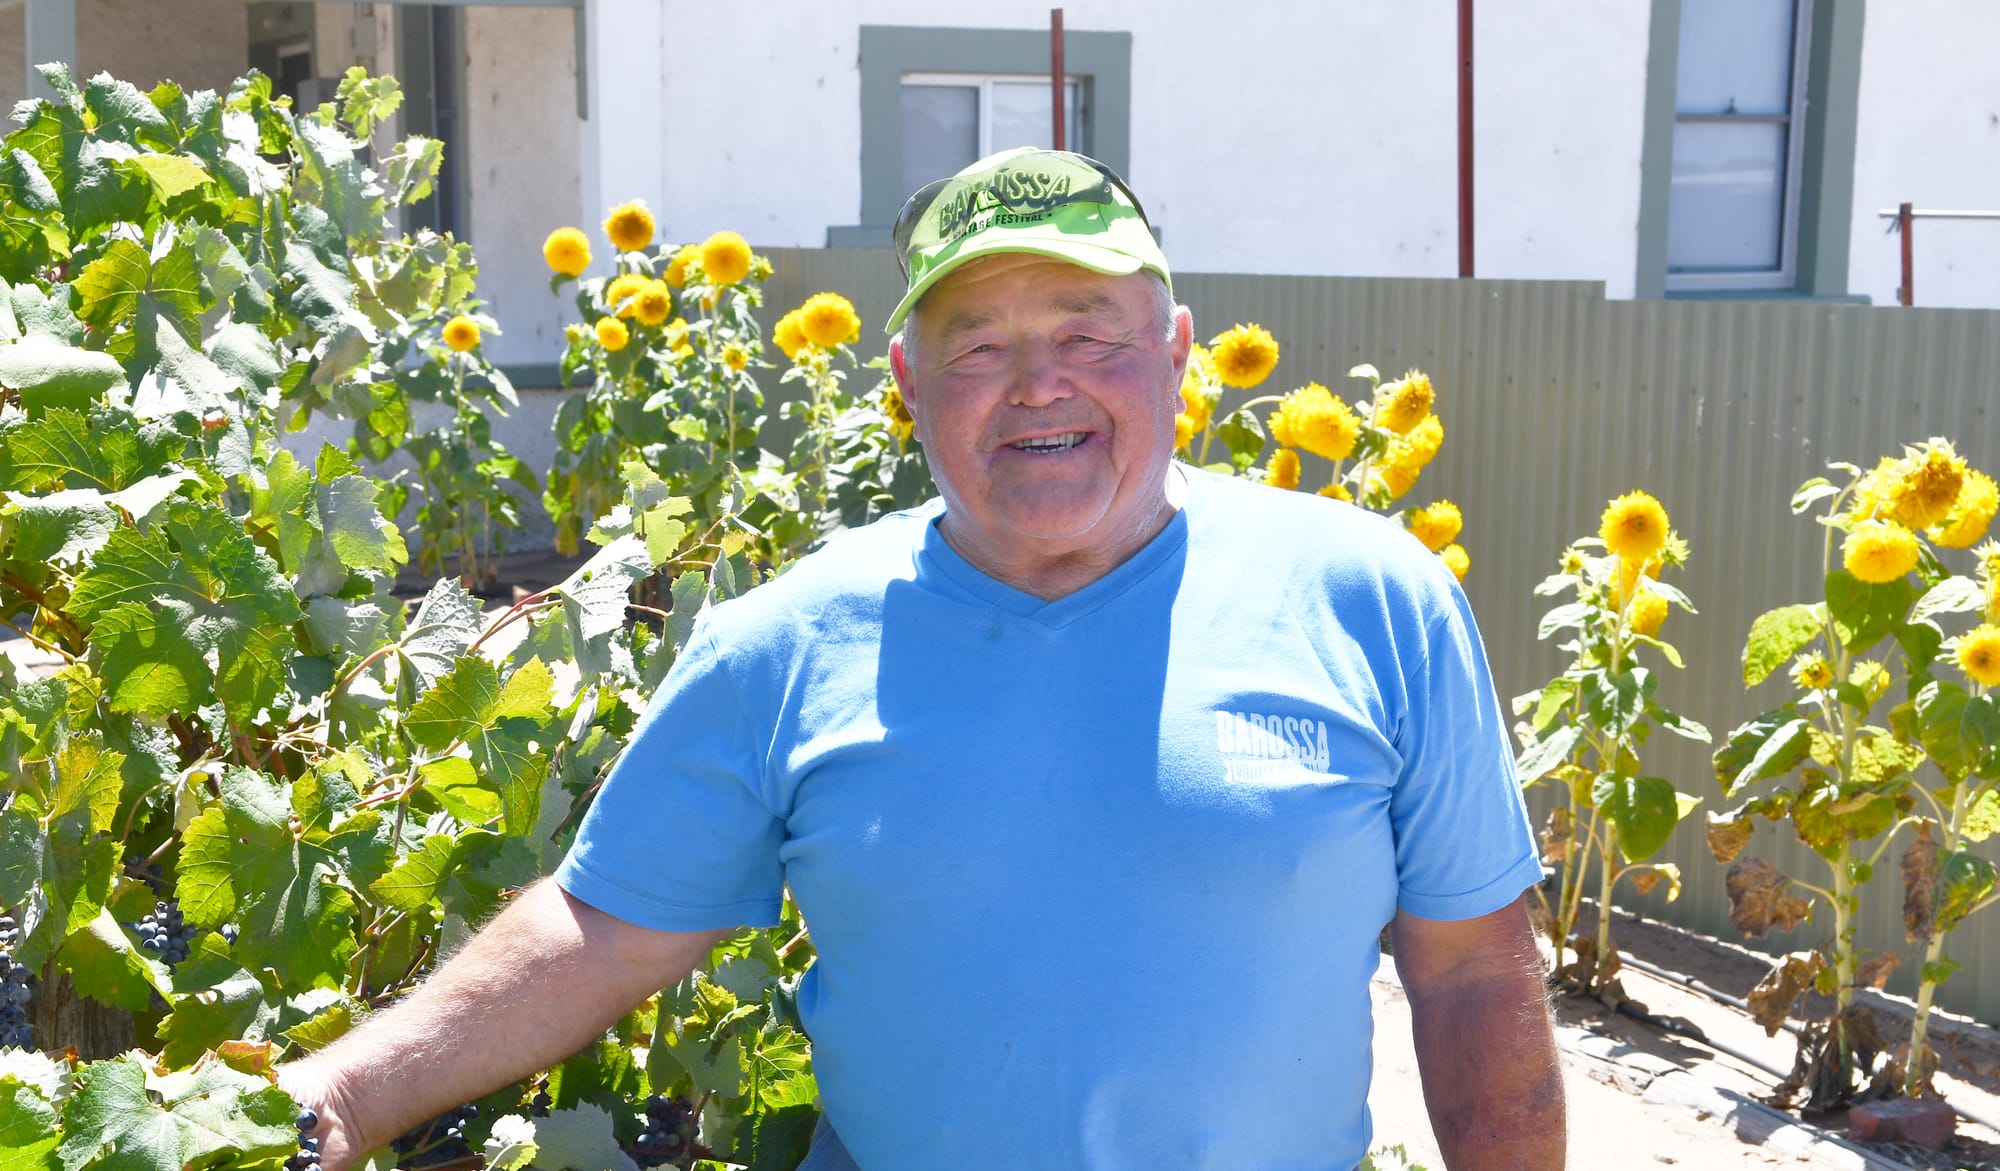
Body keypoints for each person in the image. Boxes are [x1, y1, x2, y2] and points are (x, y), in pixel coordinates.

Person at [279, 147, 1565, 1171]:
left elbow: (1469, 970)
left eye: (1086, 331)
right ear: (906, 381)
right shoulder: (788, 637)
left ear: (1177, 358)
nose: (1036, 385)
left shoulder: (1369, 597)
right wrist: (343, 1087)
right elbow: (603, 926)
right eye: (978, 345)